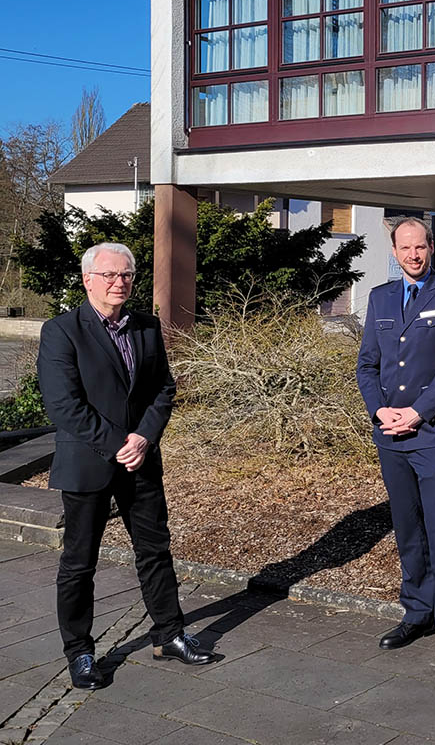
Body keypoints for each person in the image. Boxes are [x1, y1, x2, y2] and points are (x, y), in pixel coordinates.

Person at [37, 243, 216, 691]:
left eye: (128, 275)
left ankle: (169, 634)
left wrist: (144, 438)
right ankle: (79, 652)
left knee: (155, 551)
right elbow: (64, 405)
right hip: (89, 463)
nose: (120, 283)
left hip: (141, 460)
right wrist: (120, 443)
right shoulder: (62, 331)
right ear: (88, 279)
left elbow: (162, 390)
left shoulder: (147, 328)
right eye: (111, 275)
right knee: (79, 563)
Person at [356, 216, 435, 670]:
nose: (413, 255)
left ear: (431, 247)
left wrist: (417, 412)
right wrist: (379, 410)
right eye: (404, 248)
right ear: (393, 250)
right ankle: (418, 611)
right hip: (390, 433)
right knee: (407, 528)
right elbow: (367, 364)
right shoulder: (381, 296)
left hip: (433, 433)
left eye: (420, 247)